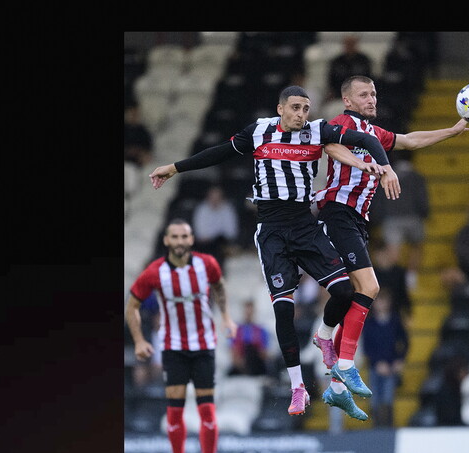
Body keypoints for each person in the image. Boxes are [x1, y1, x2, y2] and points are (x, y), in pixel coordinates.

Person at [149, 85, 400, 420]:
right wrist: (175, 168)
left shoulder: (317, 131)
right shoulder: (259, 131)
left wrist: (385, 166)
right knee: (284, 311)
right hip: (271, 232)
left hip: (305, 226)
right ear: (281, 108)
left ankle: (324, 337)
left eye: (306, 108)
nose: (301, 114)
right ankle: (298, 386)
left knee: (344, 291)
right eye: (295, 107)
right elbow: (219, 152)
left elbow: (368, 141)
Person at [311, 74, 469, 418]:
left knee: (354, 295)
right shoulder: (340, 123)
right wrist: (370, 164)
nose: (371, 99)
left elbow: (411, 140)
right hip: (336, 211)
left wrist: (452, 131)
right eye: (363, 94)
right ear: (348, 101)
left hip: (357, 220)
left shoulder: (376, 134)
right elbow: (330, 147)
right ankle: (343, 363)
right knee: (370, 286)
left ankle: (336, 383)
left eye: (373, 93)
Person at [125, 219, 238, 453]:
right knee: (174, 412)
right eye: (174, 236)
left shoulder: (207, 264)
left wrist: (225, 316)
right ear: (166, 240)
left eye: (184, 236)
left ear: (191, 239)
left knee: (207, 412)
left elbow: (220, 287)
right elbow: (132, 307)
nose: (179, 241)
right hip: (173, 348)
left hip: (203, 347)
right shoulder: (155, 272)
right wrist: (139, 340)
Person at [370, 150, 430, 289]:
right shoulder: (417, 177)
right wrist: (424, 214)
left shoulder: (387, 176)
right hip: (413, 218)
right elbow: (422, 200)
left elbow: (379, 199)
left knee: (393, 253)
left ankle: (391, 278)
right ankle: (411, 276)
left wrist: (377, 218)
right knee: (416, 245)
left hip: (392, 219)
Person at [361, 288, 407, 427]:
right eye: (379, 301)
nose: (381, 304)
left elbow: (405, 342)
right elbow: (367, 347)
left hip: (391, 366)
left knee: (388, 400)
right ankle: (376, 429)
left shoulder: (395, 321)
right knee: (374, 400)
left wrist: (400, 359)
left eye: (384, 301)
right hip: (375, 367)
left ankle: (388, 428)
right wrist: (377, 363)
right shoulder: (369, 324)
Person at [191, 184, 240, 264]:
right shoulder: (201, 209)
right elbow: (201, 233)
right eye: (213, 197)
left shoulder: (228, 209)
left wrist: (216, 235)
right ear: (208, 196)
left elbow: (231, 232)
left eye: (218, 197)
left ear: (222, 197)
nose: (215, 200)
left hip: (222, 243)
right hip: (205, 245)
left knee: (220, 244)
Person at [228, 300, 270, 376]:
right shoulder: (236, 330)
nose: (248, 314)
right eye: (247, 311)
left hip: (256, 364)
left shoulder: (261, 330)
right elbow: (233, 351)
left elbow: (264, 353)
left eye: (251, 311)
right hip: (241, 364)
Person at [326, 34, 373, 103]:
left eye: (352, 44)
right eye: (347, 44)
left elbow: (369, 79)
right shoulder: (336, 61)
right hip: (339, 95)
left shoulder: (364, 60)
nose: (349, 46)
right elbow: (331, 81)